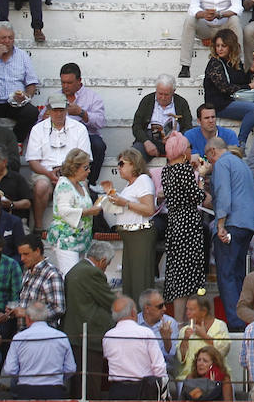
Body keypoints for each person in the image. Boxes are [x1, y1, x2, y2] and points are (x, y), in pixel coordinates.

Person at [204, 137, 254, 329]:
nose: (209, 162)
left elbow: (223, 194)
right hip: (248, 224)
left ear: (212, 152)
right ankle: (244, 318)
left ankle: (235, 322)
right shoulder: (241, 164)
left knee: (226, 273)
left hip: (232, 223)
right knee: (238, 274)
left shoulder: (221, 164)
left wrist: (220, 224)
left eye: (208, 157)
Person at [26, 93, 92, 232]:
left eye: (61, 110)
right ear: (48, 110)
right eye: (55, 110)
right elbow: (33, 161)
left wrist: (67, 176)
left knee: (83, 185)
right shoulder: (37, 129)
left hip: (73, 172)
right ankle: (38, 227)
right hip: (45, 172)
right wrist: (50, 174)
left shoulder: (79, 128)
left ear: (67, 109)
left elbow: (84, 159)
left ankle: (82, 227)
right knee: (41, 185)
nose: (58, 114)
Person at [160, 132, 206, 321]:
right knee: (189, 274)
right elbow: (198, 197)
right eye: (187, 147)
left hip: (174, 222)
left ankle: (179, 322)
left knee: (178, 273)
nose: (190, 150)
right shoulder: (185, 171)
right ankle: (185, 323)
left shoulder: (166, 171)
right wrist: (201, 177)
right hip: (188, 223)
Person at [61, 240, 116, 400]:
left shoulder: (77, 269)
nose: (106, 268)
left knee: (78, 386)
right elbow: (110, 301)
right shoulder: (92, 273)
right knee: (89, 388)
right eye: (107, 264)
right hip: (88, 337)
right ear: (103, 261)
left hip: (74, 334)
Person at [179, 0, 243, 79]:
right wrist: (203, 14)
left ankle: (238, 63)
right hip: (205, 25)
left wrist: (220, 14)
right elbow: (193, 7)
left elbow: (238, 8)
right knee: (190, 20)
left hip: (224, 26)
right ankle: (185, 66)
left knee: (235, 19)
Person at [203, 28, 254, 149]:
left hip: (234, 100)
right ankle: (240, 144)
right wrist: (248, 86)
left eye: (223, 46)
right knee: (253, 109)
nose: (220, 49)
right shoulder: (214, 63)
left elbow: (242, 80)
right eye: (217, 46)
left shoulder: (234, 62)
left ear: (231, 47)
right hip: (219, 104)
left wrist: (252, 69)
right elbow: (224, 88)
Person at [107, 148, 156, 299]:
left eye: (122, 164)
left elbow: (149, 209)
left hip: (139, 234)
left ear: (133, 164)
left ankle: (142, 316)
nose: (119, 167)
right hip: (131, 236)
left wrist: (125, 203)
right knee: (130, 281)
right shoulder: (130, 185)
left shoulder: (143, 180)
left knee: (139, 281)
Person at [3, 301, 76, 400]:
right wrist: (57, 377)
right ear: (46, 317)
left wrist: (23, 376)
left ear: (28, 318)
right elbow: (71, 368)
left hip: (26, 390)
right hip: (54, 390)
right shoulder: (61, 337)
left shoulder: (19, 338)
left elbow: (10, 369)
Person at [47, 148, 102, 275]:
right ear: (74, 168)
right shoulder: (64, 185)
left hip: (82, 240)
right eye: (85, 168)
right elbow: (64, 211)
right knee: (71, 277)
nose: (89, 171)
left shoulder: (81, 184)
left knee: (79, 278)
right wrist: (89, 211)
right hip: (67, 240)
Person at [0, 22, 40, 143]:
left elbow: (31, 83)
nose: (7, 41)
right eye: (3, 38)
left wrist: (26, 96)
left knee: (32, 112)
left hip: (15, 103)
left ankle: (14, 142)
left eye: (10, 38)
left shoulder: (22, 55)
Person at [50, 62, 106, 186]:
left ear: (79, 80)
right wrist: (51, 113)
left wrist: (81, 113)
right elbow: (40, 122)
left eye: (69, 83)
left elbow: (101, 122)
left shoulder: (92, 97)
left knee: (98, 145)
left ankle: (90, 183)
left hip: (86, 134)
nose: (65, 86)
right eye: (63, 82)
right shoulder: (55, 96)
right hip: (60, 133)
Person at [103, 296, 167, 401]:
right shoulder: (146, 333)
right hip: (143, 389)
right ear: (133, 313)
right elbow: (159, 366)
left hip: (117, 390)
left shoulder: (108, 336)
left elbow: (107, 357)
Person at [131, 73, 192, 161]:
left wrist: (177, 137)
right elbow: (136, 126)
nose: (163, 98)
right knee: (134, 156)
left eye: (167, 95)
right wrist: (146, 142)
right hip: (149, 139)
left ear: (174, 91)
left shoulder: (181, 102)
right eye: (160, 93)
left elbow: (188, 127)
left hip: (175, 141)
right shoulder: (147, 101)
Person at [175, 293, 231, 384]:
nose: (187, 313)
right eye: (187, 309)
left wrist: (204, 336)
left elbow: (223, 350)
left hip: (216, 376)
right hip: (189, 377)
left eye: (191, 309)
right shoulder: (185, 330)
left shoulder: (220, 325)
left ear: (204, 311)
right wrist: (185, 339)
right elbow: (180, 358)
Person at [15, 233, 66, 329]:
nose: (22, 259)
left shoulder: (52, 274)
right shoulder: (27, 272)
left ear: (37, 251)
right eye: (21, 255)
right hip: (24, 332)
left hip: (43, 335)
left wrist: (26, 313)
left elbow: (58, 309)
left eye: (26, 254)